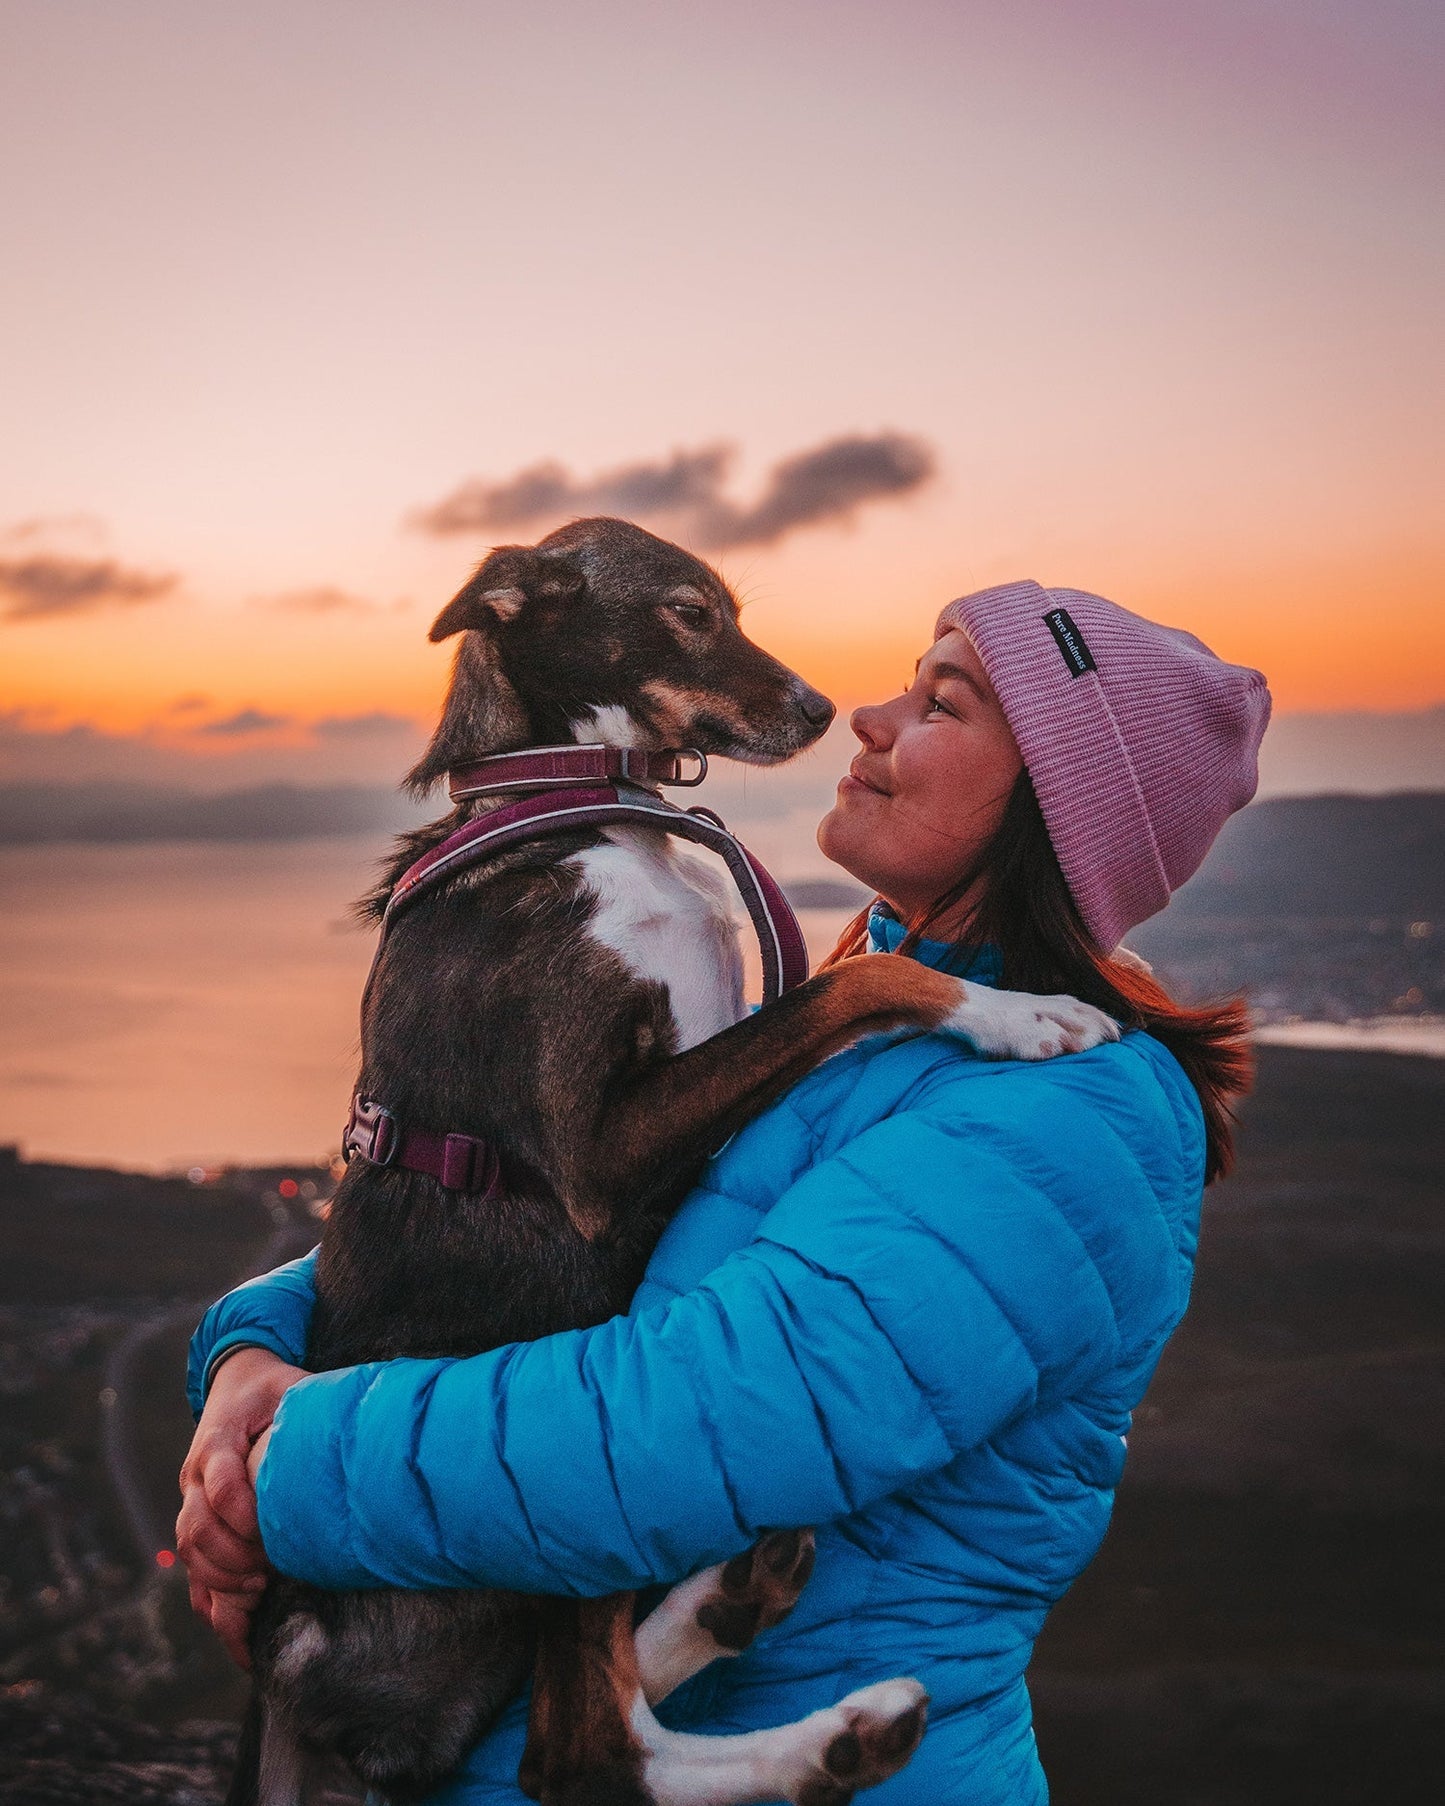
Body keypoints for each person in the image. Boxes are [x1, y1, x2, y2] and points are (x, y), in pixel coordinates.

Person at [177, 579, 1270, 1804]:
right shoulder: (878, 1028)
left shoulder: (1064, 1122)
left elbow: (674, 1434)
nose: (867, 716)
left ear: (1052, 813)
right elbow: (545, 1203)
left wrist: (292, 1464)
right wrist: (255, 1352)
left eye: (939, 704)